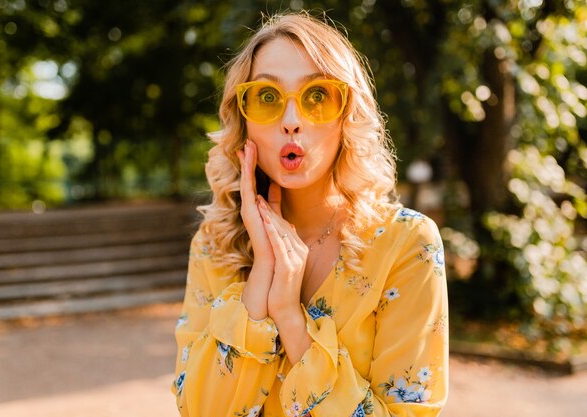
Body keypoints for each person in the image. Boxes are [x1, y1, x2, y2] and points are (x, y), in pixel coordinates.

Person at [172, 11, 448, 417]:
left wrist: (290, 321)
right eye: (267, 98)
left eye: (317, 96)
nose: (292, 121)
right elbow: (199, 411)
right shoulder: (217, 244)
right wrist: (260, 279)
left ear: (346, 114)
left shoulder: (406, 244)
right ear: (243, 121)